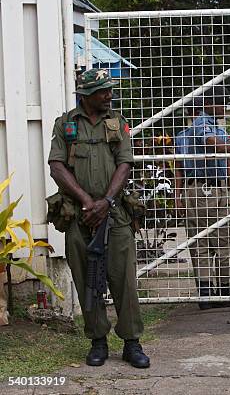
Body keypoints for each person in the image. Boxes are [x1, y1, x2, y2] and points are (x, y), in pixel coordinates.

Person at [48, 68, 150, 368]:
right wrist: (86, 201)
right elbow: (56, 166)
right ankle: (98, 341)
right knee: (87, 280)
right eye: (103, 91)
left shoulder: (116, 122)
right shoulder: (66, 124)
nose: (109, 95)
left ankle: (132, 343)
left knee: (124, 280)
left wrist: (105, 201)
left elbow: (125, 164)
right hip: (79, 216)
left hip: (115, 215)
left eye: (109, 89)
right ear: (86, 95)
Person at [174, 86, 230, 310]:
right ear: (207, 105)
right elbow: (214, 147)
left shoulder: (214, 127)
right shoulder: (203, 125)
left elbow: (227, 160)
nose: (224, 107)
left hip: (212, 188)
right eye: (221, 103)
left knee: (210, 238)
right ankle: (219, 290)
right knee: (215, 238)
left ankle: (218, 290)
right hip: (206, 188)